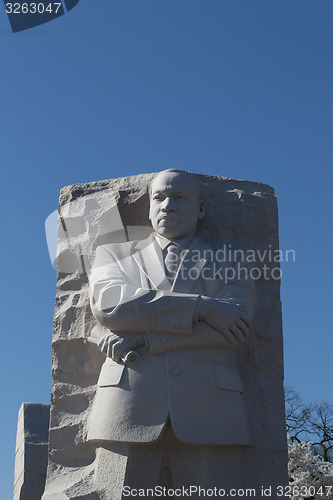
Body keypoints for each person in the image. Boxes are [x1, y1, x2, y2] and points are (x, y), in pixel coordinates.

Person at [87, 169, 255, 497]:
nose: (167, 205)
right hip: (126, 402)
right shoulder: (114, 255)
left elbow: (235, 328)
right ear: (149, 207)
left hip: (211, 407)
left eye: (179, 197)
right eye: (159, 197)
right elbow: (111, 307)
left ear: (201, 208)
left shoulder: (232, 260)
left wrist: (146, 338)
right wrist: (203, 308)